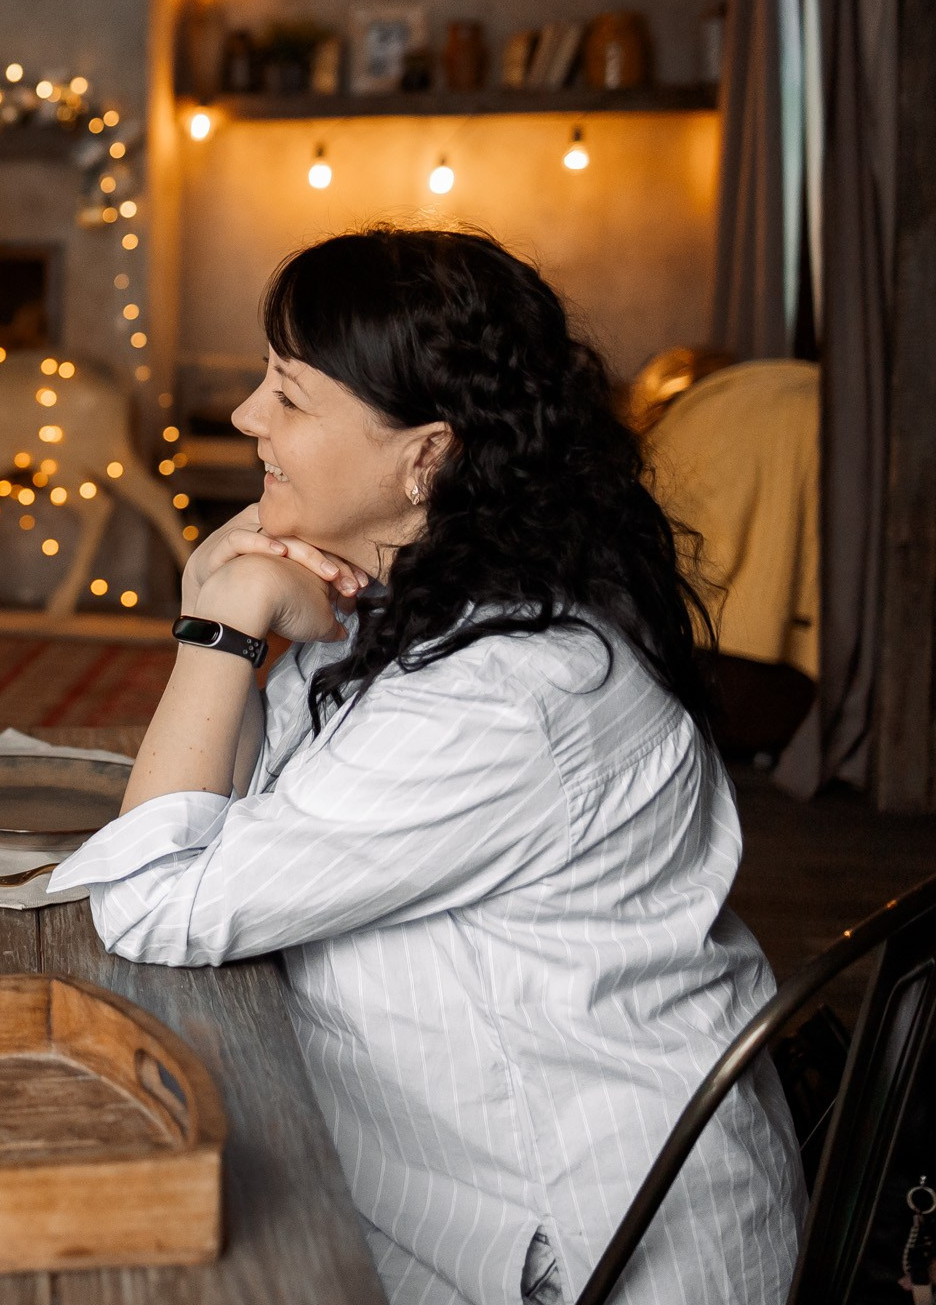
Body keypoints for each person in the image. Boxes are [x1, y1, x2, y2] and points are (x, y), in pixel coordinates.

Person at [49, 229, 803, 1305]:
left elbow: (151, 902)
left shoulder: (502, 701)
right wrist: (249, 618)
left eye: (291, 395)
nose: (245, 416)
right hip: (464, 1179)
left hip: (576, 1248)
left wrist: (217, 635)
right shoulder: (422, 605)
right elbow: (240, 816)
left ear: (427, 456)